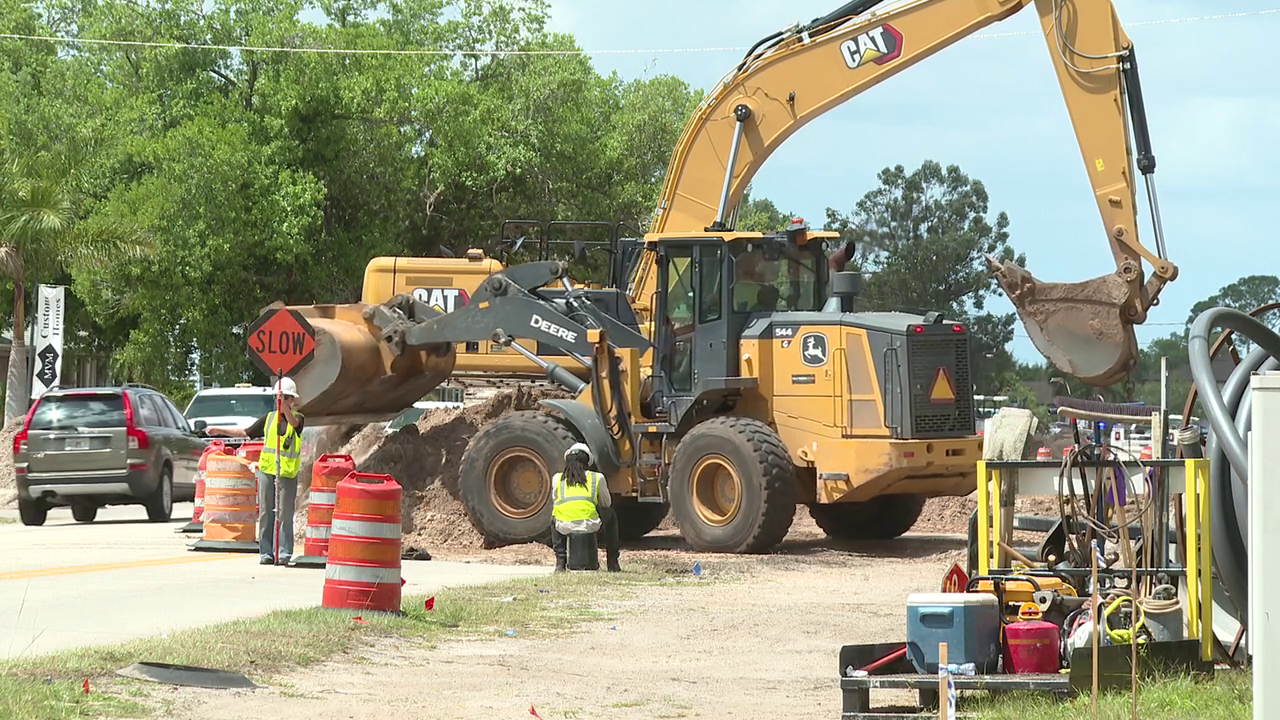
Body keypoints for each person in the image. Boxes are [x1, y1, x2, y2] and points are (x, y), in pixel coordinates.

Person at [207, 378, 305, 565]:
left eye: (286, 398)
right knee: (266, 512)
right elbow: (244, 432)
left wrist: (282, 405)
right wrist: (219, 430)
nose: (282, 401)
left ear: (292, 400)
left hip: (287, 473)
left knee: (284, 513)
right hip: (268, 470)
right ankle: (266, 552)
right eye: (280, 397)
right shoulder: (268, 419)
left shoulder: (298, 418)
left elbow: (293, 424)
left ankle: (284, 552)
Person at [550, 442, 621, 573]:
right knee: (610, 514)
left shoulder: (557, 478)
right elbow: (606, 503)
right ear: (588, 462)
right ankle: (613, 562)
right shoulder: (597, 477)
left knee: (554, 517)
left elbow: (556, 503)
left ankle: (560, 563)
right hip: (591, 524)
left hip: (564, 526)